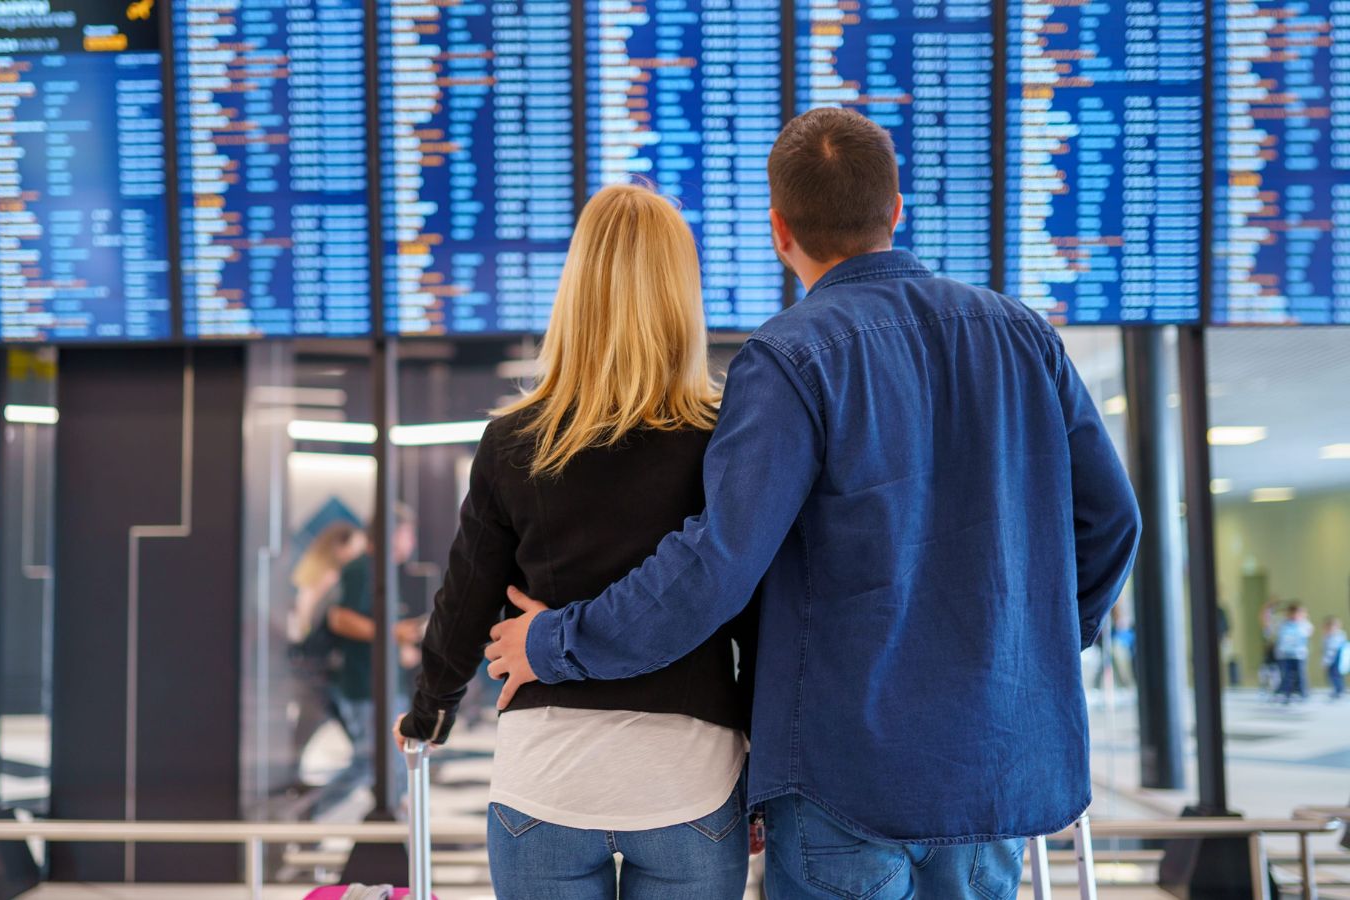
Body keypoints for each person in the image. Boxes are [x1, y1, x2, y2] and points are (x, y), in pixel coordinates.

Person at [485, 108, 1141, 899]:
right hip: (990, 770)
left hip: (843, 781)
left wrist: (555, 642)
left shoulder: (790, 359)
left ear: (778, 229)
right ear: (896, 211)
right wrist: (1017, 653)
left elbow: (714, 569)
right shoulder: (1022, 337)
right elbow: (1113, 523)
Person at [397, 183, 755, 899]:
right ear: (682, 294)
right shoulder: (726, 439)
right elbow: (756, 609)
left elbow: (467, 595)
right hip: (691, 781)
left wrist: (431, 709)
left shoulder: (513, 441)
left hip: (546, 783)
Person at [315, 506, 422, 817]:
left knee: (393, 762)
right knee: (371, 762)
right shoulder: (363, 569)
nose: (411, 542)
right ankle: (310, 820)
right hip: (365, 686)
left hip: (385, 685)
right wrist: (391, 633)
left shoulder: (382, 571)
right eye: (408, 534)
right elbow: (340, 619)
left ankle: (401, 830)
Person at [273, 521, 366, 796]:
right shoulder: (332, 580)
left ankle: (293, 791)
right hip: (321, 672)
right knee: (364, 749)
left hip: (310, 669)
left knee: (306, 735)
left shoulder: (311, 578)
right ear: (339, 547)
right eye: (356, 548)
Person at [1274, 603, 1313, 704]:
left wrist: (1303, 619)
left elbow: (1309, 631)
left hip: (1299, 655)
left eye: (1297, 613)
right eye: (1292, 613)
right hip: (1285, 655)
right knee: (1287, 675)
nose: (1294, 616)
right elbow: (1278, 634)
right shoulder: (1283, 624)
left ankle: (1303, 693)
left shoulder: (1303, 625)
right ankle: (1287, 694)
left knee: (1300, 675)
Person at [1323, 617, 1347, 701]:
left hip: (1336, 660)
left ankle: (1339, 690)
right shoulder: (1327, 637)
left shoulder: (1338, 636)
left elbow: (1332, 650)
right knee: (1331, 676)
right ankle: (1337, 690)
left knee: (1336, 676)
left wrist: (1326, 661)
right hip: (1330, 660)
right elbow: (1326, 650)